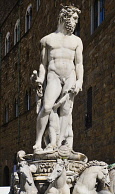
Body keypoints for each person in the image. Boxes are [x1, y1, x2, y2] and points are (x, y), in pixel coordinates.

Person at [32, 5, 84, 153]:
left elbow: (79, 64)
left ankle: (60, 144)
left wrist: (79, 81)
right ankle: (38, 143)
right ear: (64, 17)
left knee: (66, 111)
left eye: (76, 19)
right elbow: (43, 64)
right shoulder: (47, 40)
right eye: (74, 18)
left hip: (70, 76)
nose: (75, 22)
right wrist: (40, 79)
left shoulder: (77, 41)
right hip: (53, 75)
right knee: (47, 107)